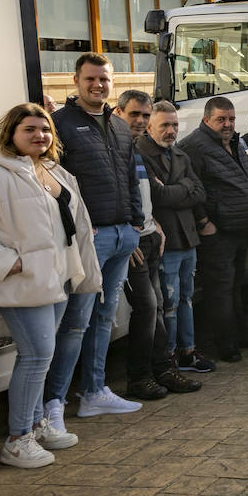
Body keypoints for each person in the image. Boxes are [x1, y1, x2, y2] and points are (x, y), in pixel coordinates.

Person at [0, 103, 101, 468]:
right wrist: (6, 262)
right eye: (29, 129)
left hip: (56, 276)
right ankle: (17, 440)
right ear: (10, 133)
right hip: (22, 281)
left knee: (38, 359)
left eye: (45, 129)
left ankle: (35, 426)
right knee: (36, 356)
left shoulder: (50, 169)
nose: (39, 136)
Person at [48, 53, 143, 419]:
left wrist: (135, 222)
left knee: (106, 318)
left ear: (111, 82)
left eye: (104, 79)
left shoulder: (119, 125)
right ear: (75, 80)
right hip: (90, 238)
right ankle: (54, 401)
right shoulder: (59, 125)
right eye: (90, 79)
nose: (97, 85)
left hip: (122, 235)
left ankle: (94, 392)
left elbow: (131, 175)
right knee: (76, 323)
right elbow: (54, 184)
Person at [113, 91, 193, 402]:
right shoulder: (116, 147)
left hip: (148, 237)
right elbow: (107, 195)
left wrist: (153, 224)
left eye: (145, 116)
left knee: (157, 307)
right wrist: (127, 233)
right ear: (119, 113)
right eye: (135, 114)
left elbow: (142, 195)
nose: (141, 121)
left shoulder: (132, 150)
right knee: (147, 308)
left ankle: (162, 371)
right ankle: (139, 379)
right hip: (130, 242)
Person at [181, 96, 248, 363]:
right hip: (218, 232)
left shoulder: (234, 141)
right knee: (220, 290)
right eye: (220, 119)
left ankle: (239, 336)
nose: (227, 124)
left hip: (239, 229)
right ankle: (225, 346)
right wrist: (204, 222)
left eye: (230, 119)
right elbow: (189, 185)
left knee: (237, 285)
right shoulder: (195, 146)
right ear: (206, 120)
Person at [137, 102, 212, 377]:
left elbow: (200, 192)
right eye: (164, 126)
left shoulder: (180, 154)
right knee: (168, 302)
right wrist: (183, 189)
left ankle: (188, 352)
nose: (171, 131)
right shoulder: (141, 153)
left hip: (187, 237)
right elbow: (157, 197)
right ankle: (167, 356)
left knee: (186, 299)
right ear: (149, 126)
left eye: (175, 125)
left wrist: (173, 190)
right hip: (164, 240)